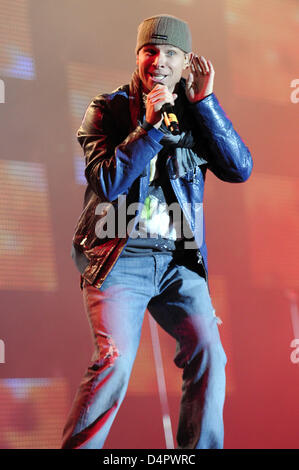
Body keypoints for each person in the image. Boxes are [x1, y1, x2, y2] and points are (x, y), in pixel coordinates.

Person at [61, 14, 253, 449]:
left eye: (171, 53)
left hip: (176, 259)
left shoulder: (195, 112)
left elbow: (240, 168)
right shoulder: (106, 109)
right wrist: (148, 126)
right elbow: (107, 182)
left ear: (187, 62)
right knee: (114, 362)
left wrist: (206, 104)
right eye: (151, 51)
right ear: (138, 56)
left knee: (210, 353)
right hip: (118, 257)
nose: (159, 61)